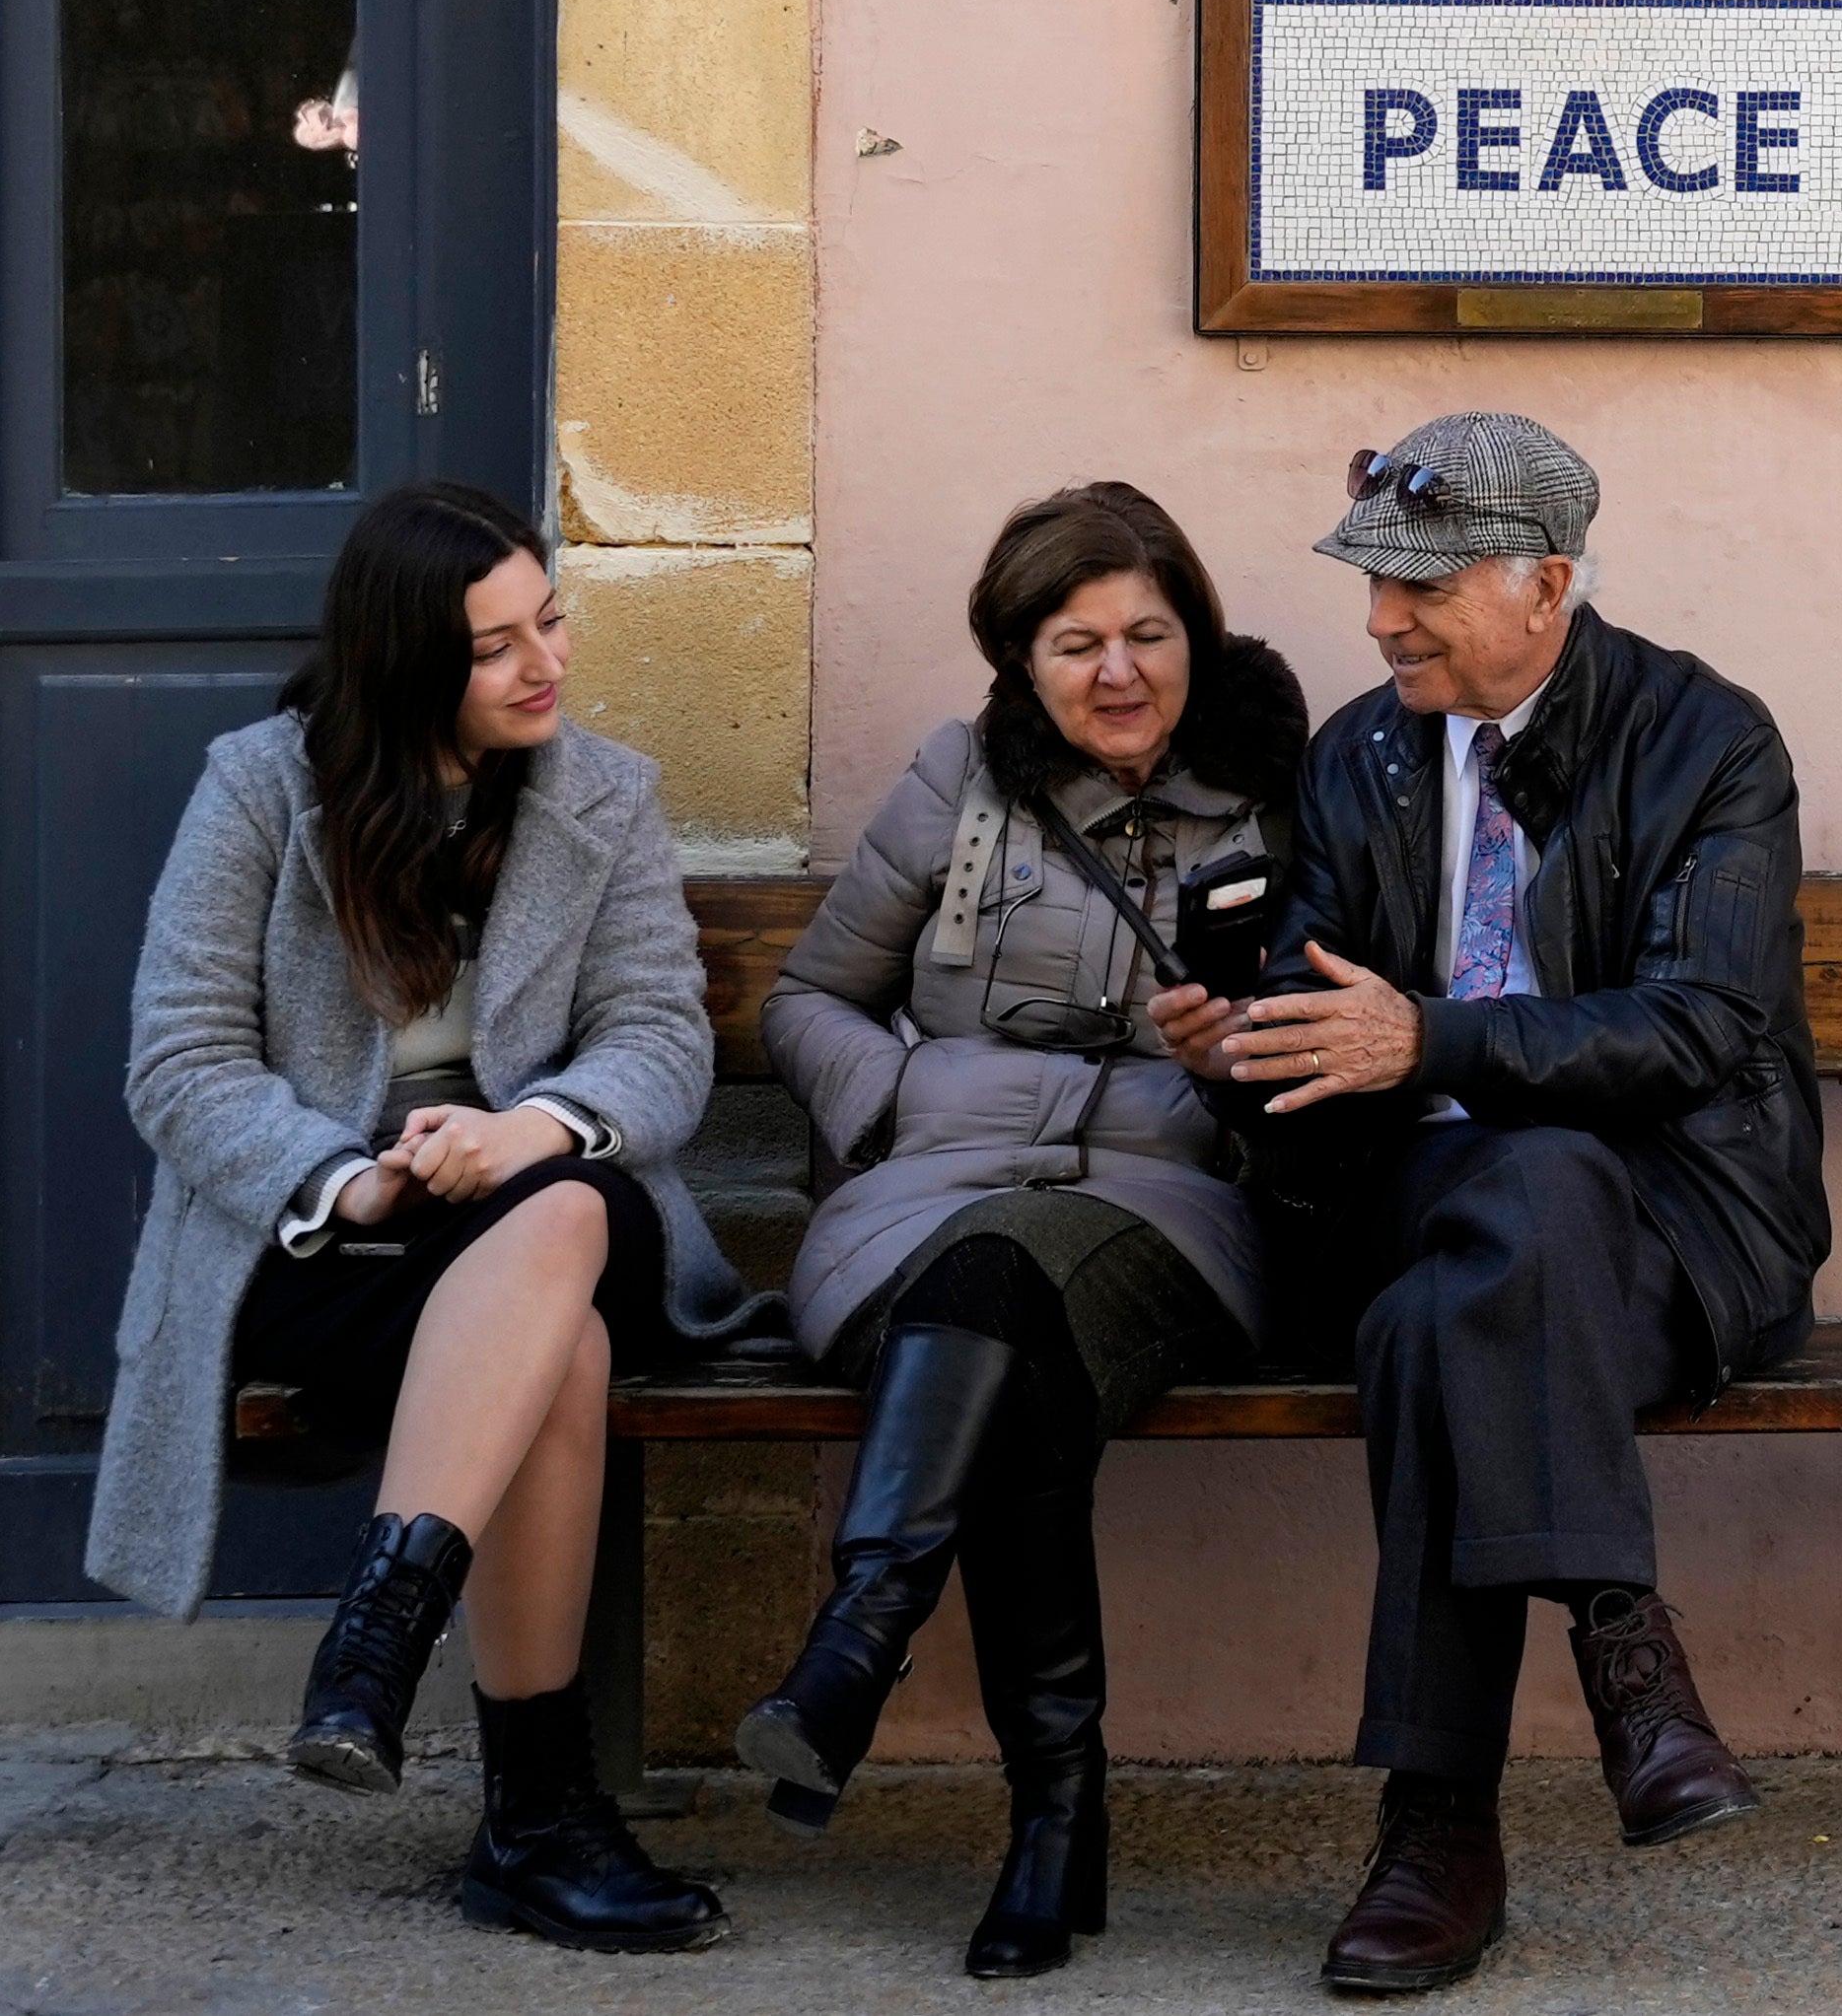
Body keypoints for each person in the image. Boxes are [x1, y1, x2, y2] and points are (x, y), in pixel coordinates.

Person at [1149, 411, 1825, 1998]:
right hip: (1402, 1194)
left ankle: (1436, 1828)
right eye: (1376, 584)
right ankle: (1627, 1650)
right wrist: (1235, 1052)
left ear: (1548, 584)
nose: (1383, 620)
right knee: (1497, 1214)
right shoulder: (1361, 753)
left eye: (1426, 587)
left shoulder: (1709, 741)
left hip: (1670, 1225)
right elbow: (1315, 1066)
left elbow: (1699, 1030)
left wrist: (1432, 1040)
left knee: (1466, 1283)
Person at [89, 481, 746, 1954]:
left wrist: (525, 1131)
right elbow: (181, 1059)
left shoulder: (603, 796)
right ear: (401, 662)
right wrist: (346, 1173)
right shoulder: (263, 790)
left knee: (566, 1219)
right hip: (339, 1241)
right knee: (559, 1351)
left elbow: (659, 1039)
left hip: (555, 1196)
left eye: (550, 620)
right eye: (494, 645)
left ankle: (379, 1638)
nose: (543, 665)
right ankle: (536, 1815)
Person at [741, 482, 1311, 1978]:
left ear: (1197, 636)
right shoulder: (953, 784)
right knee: (1007, 1335)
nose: (1117, 673)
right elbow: (805, 998)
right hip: (930, 1202)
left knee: (1006, 1289)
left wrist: (1228, 1064)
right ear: (1018, 659)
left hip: (1170, 1211)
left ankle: (865, 1634)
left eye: (1146, 634)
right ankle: (1055, 1824)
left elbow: (1351, 1046)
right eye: (1075, 644)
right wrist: (908, 1102)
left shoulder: (1288, 803)